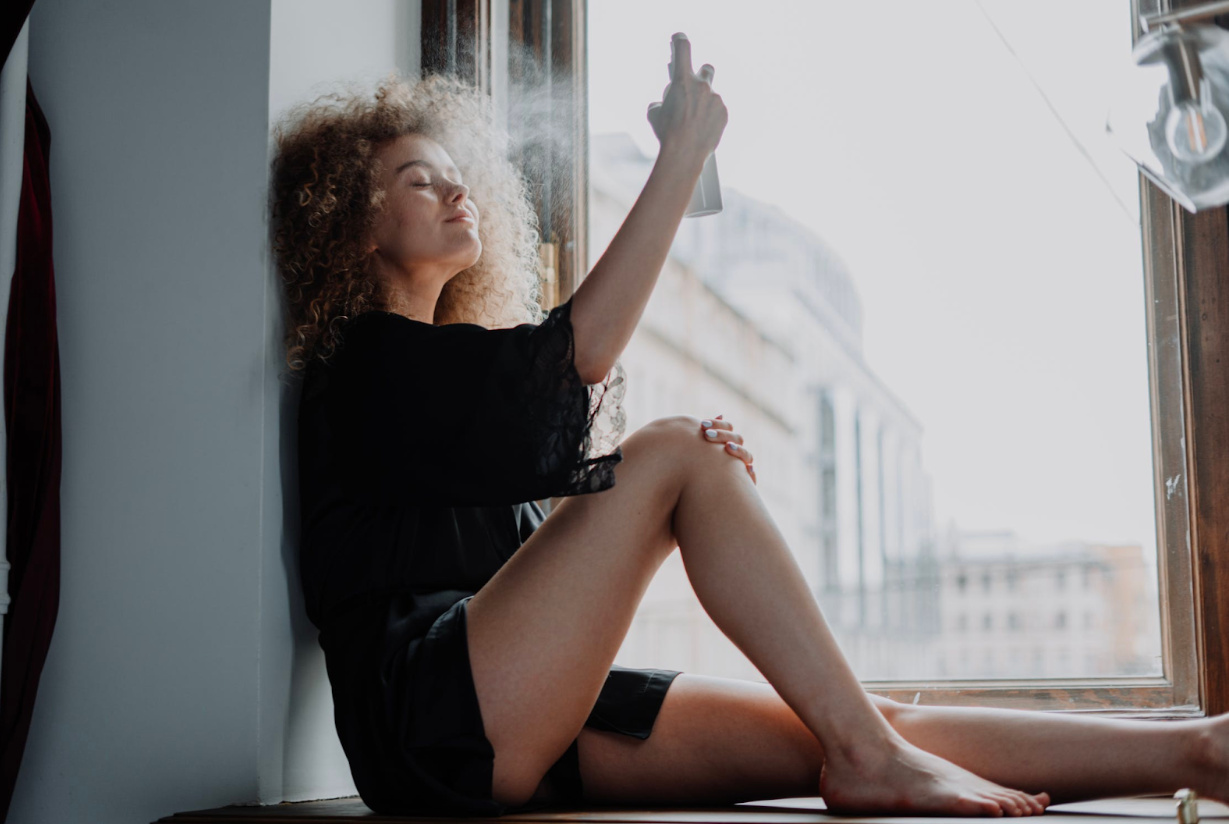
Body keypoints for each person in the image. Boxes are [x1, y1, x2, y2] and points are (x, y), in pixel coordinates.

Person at [270, 38, 1229, 820]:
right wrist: (680, 162)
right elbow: (578, 358)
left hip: (517, 713)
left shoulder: (437, 385)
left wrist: (664, 494)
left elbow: (540, 516)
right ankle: (870, 755)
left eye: (454, 173)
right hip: (427, 719)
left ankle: (1197, 749)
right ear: (353, 224)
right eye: (416, 180)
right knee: (677, 451)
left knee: (853, 717)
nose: (454, 189)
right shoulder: (363, 362)